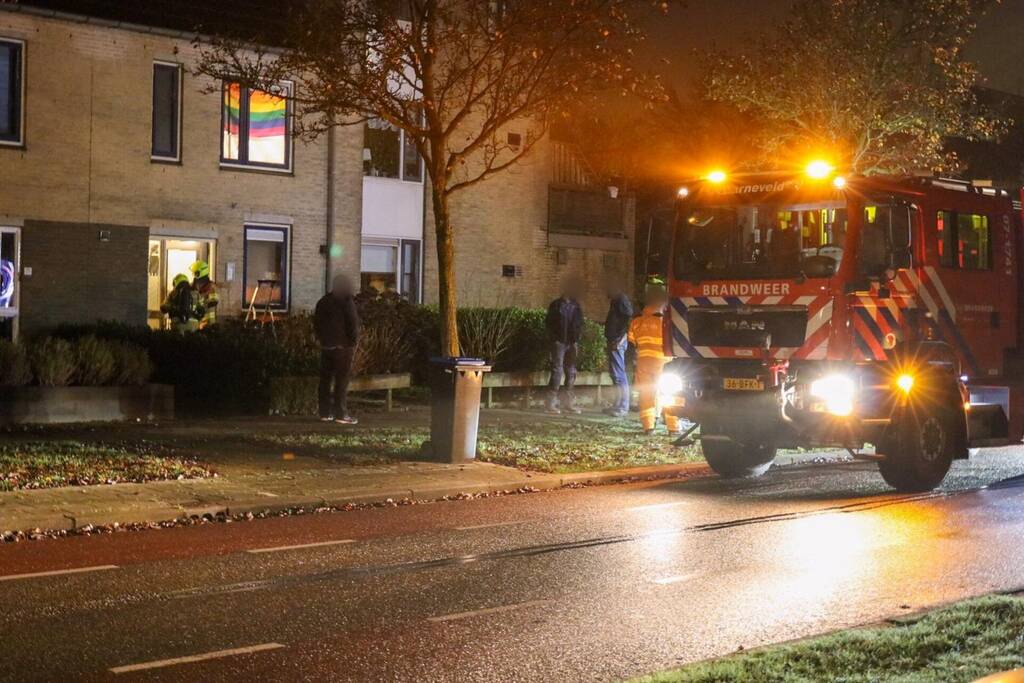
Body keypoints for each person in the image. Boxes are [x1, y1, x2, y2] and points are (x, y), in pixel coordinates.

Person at [628, 282, 681, 435]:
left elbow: (631, 342)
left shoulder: (637, 322)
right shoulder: (669, 323)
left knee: (646, 394)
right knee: (670, 394)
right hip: (666, 364)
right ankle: (673, 427)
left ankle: (648, 426)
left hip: (644, 363)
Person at [314, 273, 361, 424]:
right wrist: (353, 342)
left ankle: (324, 413)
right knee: (341, 381)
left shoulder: (323, 302)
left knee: (325, 380)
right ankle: (341, 414)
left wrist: (322, 339)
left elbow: (317, 323)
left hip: (327, 346)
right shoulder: (347, 302)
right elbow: (352, 324)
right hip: (343, 347)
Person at [544, 277, 585, 414]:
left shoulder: (576, 306)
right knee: (557, 371)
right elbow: (549, 323)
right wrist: (554, 338)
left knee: (571, 372)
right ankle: (551, 404)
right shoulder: (556, 305)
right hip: (559, 342)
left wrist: (576, 338)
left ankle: (568, 403)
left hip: (571, 342)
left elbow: (580, 323)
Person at [603, 276, 634, 417]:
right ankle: (618, 404)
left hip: (617, 340)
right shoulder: (616, 301)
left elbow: (627, 318)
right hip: (614, 339)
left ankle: (623, 406)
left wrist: (620, 338)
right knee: (615, 375)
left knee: (619, 375)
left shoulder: (621, 300)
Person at [189, 260, 219, 328]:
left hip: (208, 323)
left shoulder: (211, 286)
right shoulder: (192, 285)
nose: (194, 275)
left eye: (196, 273)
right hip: (194, 322)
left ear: (202, 272)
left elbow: (213, 302)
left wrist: (198, 297)